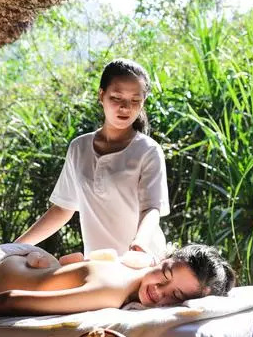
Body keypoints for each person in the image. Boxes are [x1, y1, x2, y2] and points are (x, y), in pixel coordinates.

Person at [17, 58, 169, 260]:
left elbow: (151, 208)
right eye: (116, 98)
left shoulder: (148, 150)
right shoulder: (79, 148)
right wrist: (14, 247)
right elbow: (63, 208)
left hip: (142, 261)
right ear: (101, 95)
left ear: (143, 102)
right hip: (97, 264)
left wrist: (139, 245)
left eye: (135, 100)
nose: (125, 107)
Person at [0, 244, 235, 316]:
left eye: (176, 297)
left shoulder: (131, 270)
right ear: (164, 259)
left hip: (26, 260)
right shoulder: (111, 291)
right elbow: (12, 300)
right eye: (165, 275)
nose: (159, 291)